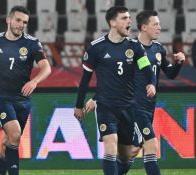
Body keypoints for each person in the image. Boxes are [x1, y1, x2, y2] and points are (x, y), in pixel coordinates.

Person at [74, 6, 156, 175]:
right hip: (106, 106)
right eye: (124, 18)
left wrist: (152, 83)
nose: (129, 21)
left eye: (129, 18)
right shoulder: (96, 48)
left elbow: (148, 71)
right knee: (110, 147)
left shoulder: (135, 48)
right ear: (112, 23)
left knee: (127, 155)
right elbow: (85, 80)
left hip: (128, 107)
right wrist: (78, 105)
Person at [115, 10, 185, 175]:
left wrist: (179, 63)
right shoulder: (129, 49)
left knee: (132, 150)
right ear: (144, 27)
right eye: (155, 24)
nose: (159, 28)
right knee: (152, 145)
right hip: (134, 107)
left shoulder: (159, 49)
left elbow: (170, 73)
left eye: (159, 24)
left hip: (148, 107)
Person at [0, 6, 51, 175]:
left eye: (25, 22)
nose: (21, 25)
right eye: (18, 20)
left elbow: (46, 68)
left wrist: (35, 81)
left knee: (7, 141)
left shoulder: (32, 43)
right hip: (0, 97)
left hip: (22, 100)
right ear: (8, 20)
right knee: (14, 134)